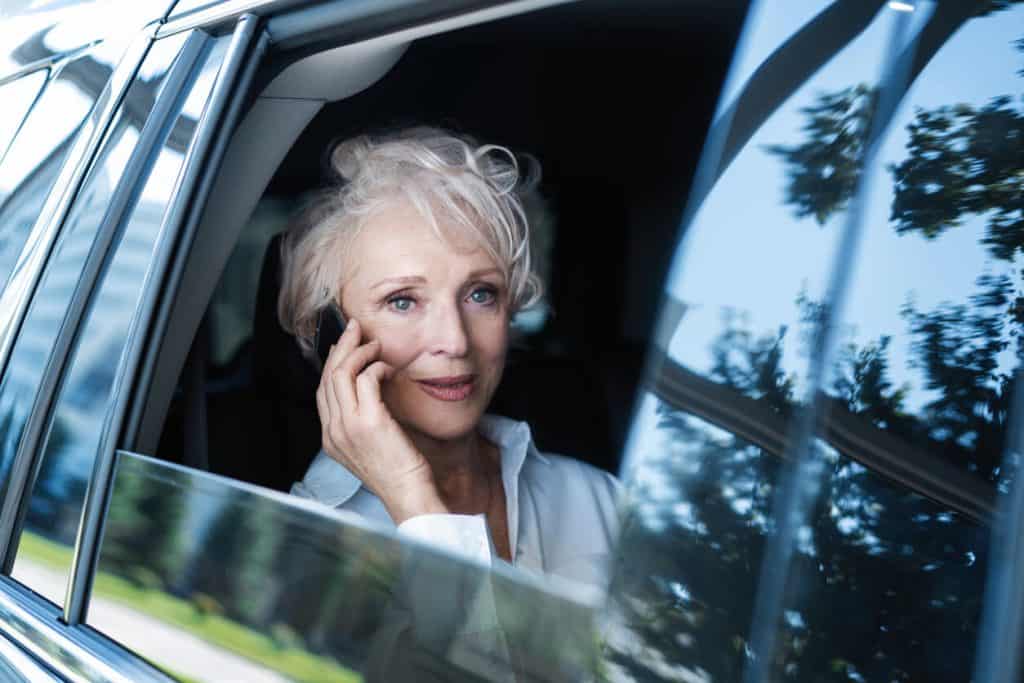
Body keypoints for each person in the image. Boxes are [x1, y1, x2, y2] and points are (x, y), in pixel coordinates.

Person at [278, 127, 620, 592]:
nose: (455, 342)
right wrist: (412, 498)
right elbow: (472, 665)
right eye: (403, 301)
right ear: (330, 335)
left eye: (481, 294)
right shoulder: (307, 542)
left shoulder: (598, 499)